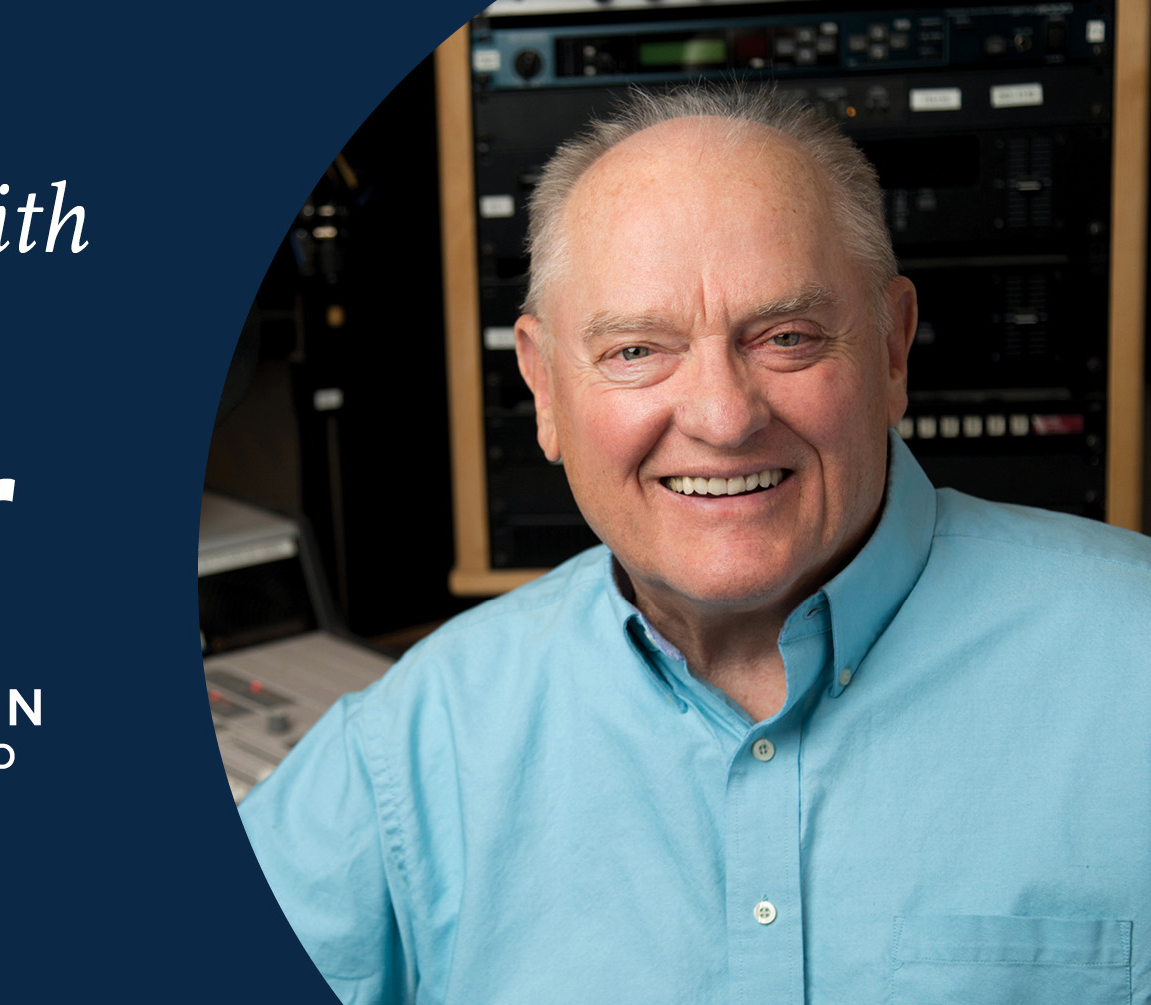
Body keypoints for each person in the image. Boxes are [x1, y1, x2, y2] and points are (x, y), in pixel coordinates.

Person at [237, 84, 1151, 1003]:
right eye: (637, 350)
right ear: (545, 388)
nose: (722, 417)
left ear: (893, 349)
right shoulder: (407, 754)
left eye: (786, 336)